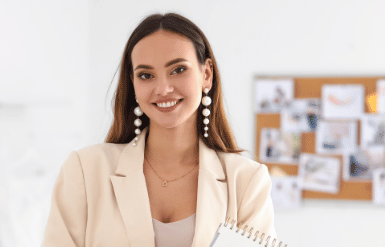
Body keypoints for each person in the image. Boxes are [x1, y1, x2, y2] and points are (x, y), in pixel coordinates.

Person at [42, 13, 276, 247]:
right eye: (146, 75)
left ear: (206, 74)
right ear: (133, 83)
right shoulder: (85, 170)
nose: (163, 88)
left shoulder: (246, 181)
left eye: (178, 70)